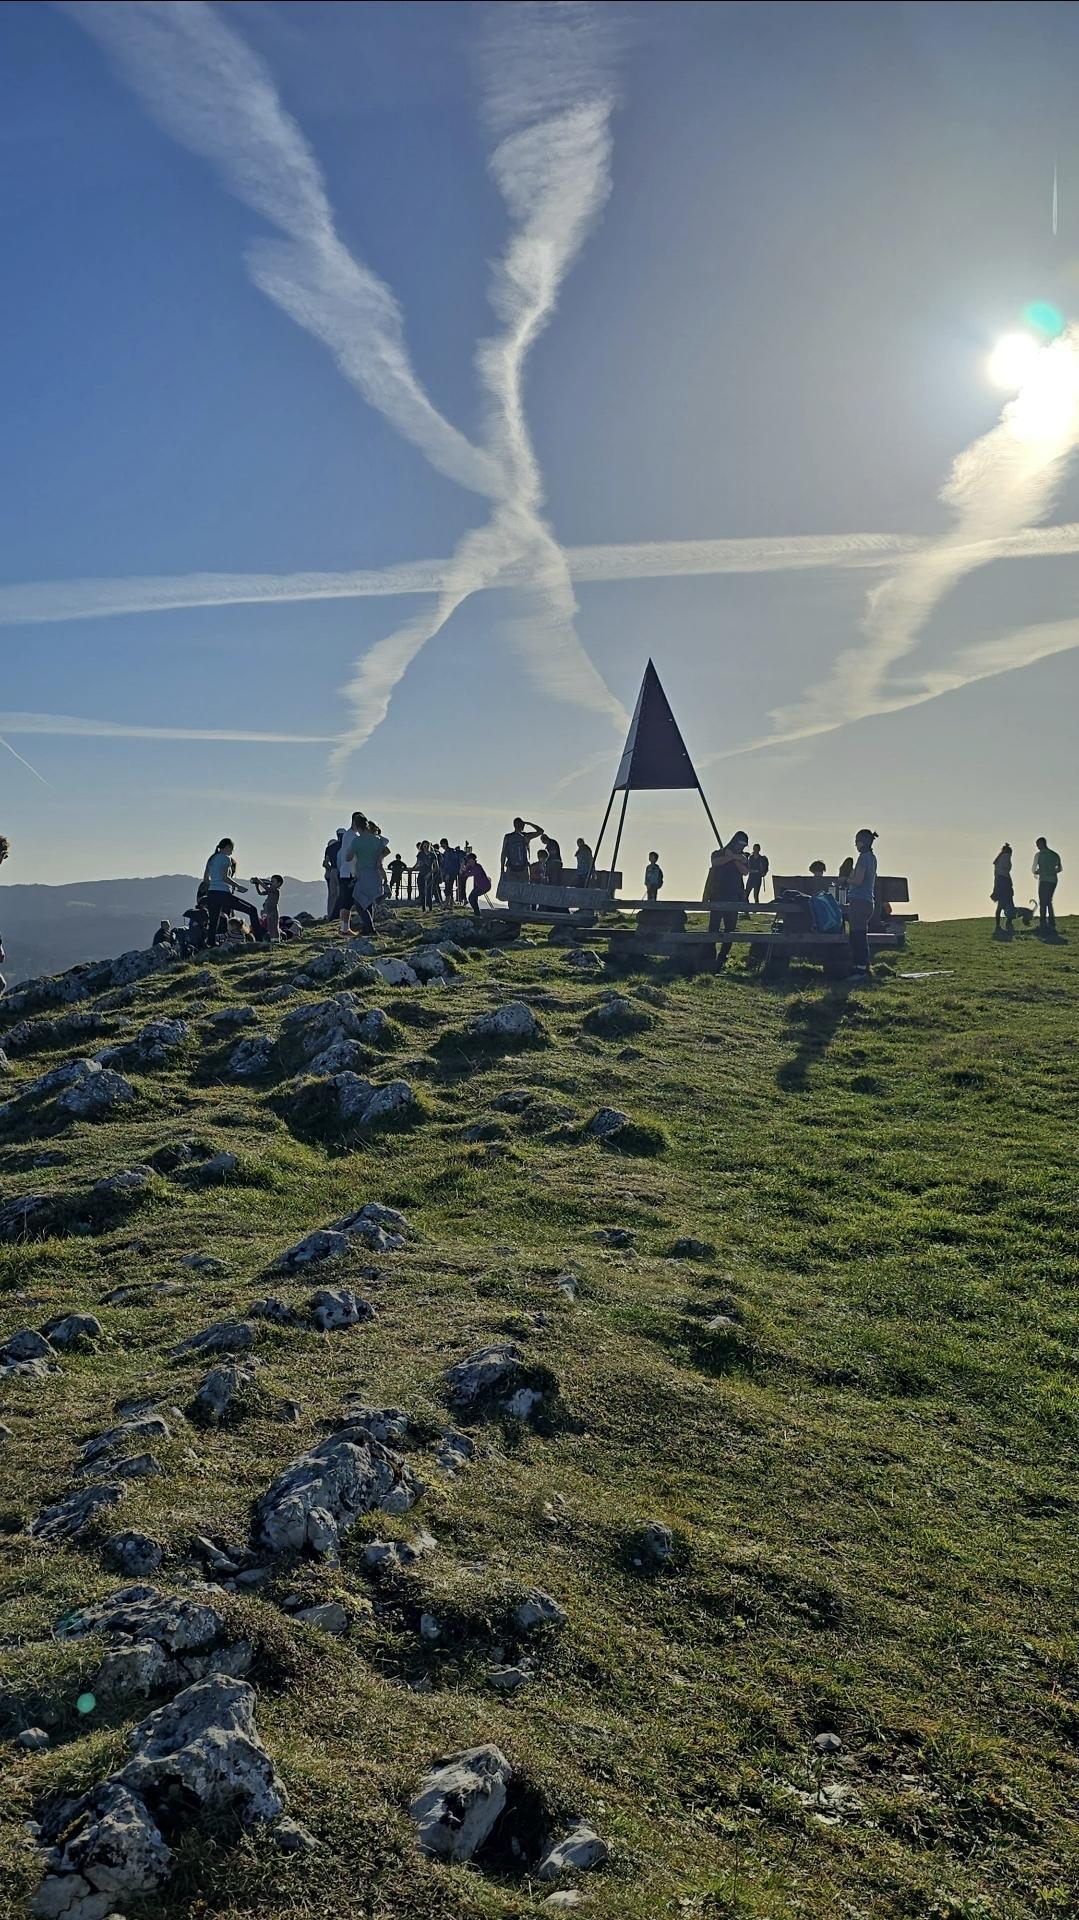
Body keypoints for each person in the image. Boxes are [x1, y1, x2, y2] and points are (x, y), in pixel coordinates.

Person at [203, 838, 262, 945]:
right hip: (223, 893)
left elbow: (206, 880)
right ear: (228, 847)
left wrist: (214, 884)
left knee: (213, 921)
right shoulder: (226, 858)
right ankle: (259, 941)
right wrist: (238, 887)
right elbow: (224, 877)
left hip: (212, 893)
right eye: (232, 849)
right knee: (252, 910)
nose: (232, 852)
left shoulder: (211, 859)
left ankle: (210, 945)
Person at [703, 832, 750, 967]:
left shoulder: (744, 857)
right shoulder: (718, 853)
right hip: (717, 895)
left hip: (734, 897)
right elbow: (715, 862)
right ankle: (709, 955)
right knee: (713, 927)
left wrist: (735, 858)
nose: (742, 847)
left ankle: (722, 957)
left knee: (730, 929)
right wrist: (730, 857)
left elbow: (745, 871)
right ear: (734, 842)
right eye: (741, 844)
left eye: (744, 845)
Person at [846, 828, 878, 977]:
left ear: (862, 842)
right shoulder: (872, 858)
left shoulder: (863, 858)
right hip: (868, 901)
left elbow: (858, 881)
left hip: (859, 901)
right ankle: (862, 966)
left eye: (857, 842)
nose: (855, 845)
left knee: (857, 935)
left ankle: (860, 968)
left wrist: (846, 880)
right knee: (860, 934)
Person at [337, 812, 367, 935]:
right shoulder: (352, 836)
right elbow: (349, 856)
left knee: (346, 902)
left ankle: (344, 927)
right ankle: (344, 929)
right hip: (349, 872)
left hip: (346, 871)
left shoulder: (348, 835)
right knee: (346, 902)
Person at [1032, 836, 1063, 932]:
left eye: (1037, 845)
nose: (1037, 847)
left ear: (1041, 844)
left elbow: (1034, 869)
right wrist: (1051, 871)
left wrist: (1039, 872)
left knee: (1043, 902)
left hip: (1044, 880)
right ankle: (1051, 922)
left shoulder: (1038, 855)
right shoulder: (1055, 855)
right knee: (1049, 901)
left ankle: (1043, 923)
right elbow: (1059, 869)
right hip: (1053, 880)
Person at [501, 816, 542, 883]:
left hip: (511, 868)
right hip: (523, 868)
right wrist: (529, 823)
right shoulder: (526, 836)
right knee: (524, 889)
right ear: (523, 825)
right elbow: (541, 831)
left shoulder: (508, 837)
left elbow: (503, 853)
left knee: (512, 889)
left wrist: (502, 868)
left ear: (514, 825)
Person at [991, 845, 1015, 934]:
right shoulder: (1006, 857)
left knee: (1000, 905)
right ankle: (1009, 924)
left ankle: (998, 925)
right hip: (1004, 882)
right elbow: (1007, 868)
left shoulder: (998, 860)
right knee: (1009, 904)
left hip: (999, 883)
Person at [252, 874, 283, 941]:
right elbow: (260, 893)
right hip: (268, 911)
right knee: (270, 927)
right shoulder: (270, 890)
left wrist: (259, 881)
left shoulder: (276, 890)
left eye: (273, 881)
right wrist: (257, 885)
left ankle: (277, 940)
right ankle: (272, 939)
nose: (271, 883)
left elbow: (267, 888)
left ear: (278, 884)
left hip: (273, 911)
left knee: (274, 926)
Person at [462, 850, 491, 917]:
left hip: (484, 886)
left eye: (469, 861)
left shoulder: (477, 867)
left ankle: (477, 913)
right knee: (473, 897)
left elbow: (468, 874)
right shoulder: (474, 866)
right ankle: (477, 913)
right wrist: (466, 867)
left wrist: (466, 867)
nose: (468, 862)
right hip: (480, 886)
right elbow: (465, 873)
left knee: (471, 898)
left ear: (472, 860)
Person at [323, 830, 344, 920]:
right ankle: (339, 915)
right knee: (341, 894)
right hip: (342, 871)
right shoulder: (344, 847)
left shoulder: (330, 848)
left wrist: (331, 869)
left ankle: (331, 915)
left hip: (333, 871)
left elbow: (325, 863)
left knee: (332, 895)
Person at [438, 838, 462, 903]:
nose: (442, 846)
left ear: (444, 844)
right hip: (451, 873)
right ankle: (450, 904)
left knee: (448, 888)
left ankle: (447, 903)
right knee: (449, 888)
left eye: (442, 844)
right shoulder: (450, 852)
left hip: (450, 873)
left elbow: (450, 864)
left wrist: (447, 873)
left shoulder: (448, 852)